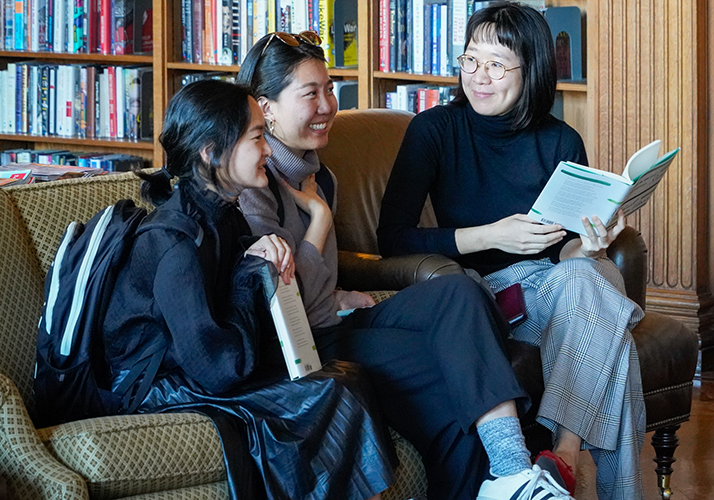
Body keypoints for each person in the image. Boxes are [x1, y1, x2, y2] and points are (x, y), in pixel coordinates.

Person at [236, 30, 574, 500]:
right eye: (310, 93)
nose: (328, 105)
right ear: (265, 108)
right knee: (448, 384)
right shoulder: (252, 183)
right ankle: (512, 477)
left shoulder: (317, 172)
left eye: (330, 89)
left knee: (461, 292)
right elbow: (278, 299)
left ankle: (512, 474)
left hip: (333, 321)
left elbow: (315, 280)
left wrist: (336, 291)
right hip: (299, 348)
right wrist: (319, 218)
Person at [377, 3, 646, 500]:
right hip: (484, 301)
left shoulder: (561, 140)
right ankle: (574, 463)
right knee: (616, 341)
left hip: (557, 292)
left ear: (532, 69)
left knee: (588, 274)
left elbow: (565, 255)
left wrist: (588, 246)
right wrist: (490, 236)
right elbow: (391, 238)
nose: (480, 77)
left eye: (498, 64)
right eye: (470, 60)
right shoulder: (434, 130)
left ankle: (560, 460)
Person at [101, 79, 396, 500]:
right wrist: (250, 271)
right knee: (331, 391)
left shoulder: (222, 213)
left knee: (349, 379)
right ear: (210, 151)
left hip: (201, 363)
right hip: (151, 386)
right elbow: (219, 370)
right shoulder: (174, 244)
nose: (270, 150)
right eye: (258, 136)